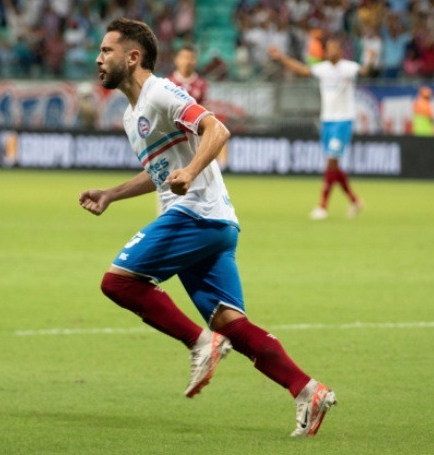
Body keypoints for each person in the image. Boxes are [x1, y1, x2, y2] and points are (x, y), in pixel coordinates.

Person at [79, 18, 336, 438]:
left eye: (106, 51)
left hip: (195, 213)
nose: (98, 58)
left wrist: (193, 170)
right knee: (232, 324)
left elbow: (217, 128)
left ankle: (200, 344)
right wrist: (112, 193)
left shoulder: (161, 91)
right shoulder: (131, 115)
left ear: (133, 56)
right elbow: (161, 173)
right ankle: (308, 391)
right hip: (211, 224)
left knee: (118, 283)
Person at [268, 35, 367, 220]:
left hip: (343, 121)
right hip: (327, 121)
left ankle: (323, 206)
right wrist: (281, 57)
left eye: (333, 48)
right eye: (327, 48)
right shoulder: (324, 69)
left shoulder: (348, 67)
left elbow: (365, 71)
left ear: (340, 50)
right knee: (333, 165)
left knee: (331, 162)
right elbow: (302, 71)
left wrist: (370, 59)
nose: (329, 51)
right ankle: (355, 201)